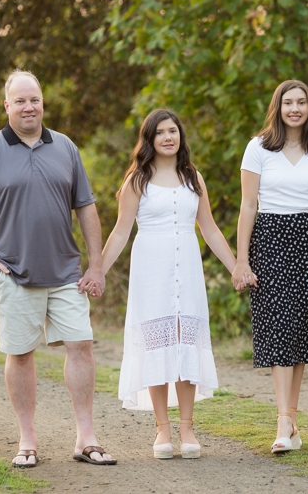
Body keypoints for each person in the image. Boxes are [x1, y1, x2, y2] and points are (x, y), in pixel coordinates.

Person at [0, 71, 111, 469]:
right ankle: (27, 440)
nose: (28, 107)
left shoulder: (66, 147)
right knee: (20, 354)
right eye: (19, 101)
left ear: (42, 102)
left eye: (34, 99)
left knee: (81, 347)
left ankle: (86, 438)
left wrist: (97, 265)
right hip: (14, 275)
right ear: (6, 106)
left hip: (67, 273)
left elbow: (85, 206)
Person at [97, 109, 246, 461]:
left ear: (180, 136)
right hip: (151, 268)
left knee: (185, 339)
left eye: (173, 131)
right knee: (157, 342)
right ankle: (162, 428)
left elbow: (208, 228)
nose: (168, 137)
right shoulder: (137, 180)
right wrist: (98, 270)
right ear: (149, 139)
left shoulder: (193, 177)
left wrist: (237, 266)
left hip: (187, 270)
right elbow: (120, 231)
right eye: (160, 132)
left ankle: (188, 428)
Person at [235, 79, 308, 455]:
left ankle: (290, 420)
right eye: (288, 103)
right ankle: (282, 422)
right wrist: (242, 259)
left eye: (301, 103)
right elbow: (248, 206)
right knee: (278, 327)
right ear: (277, 107)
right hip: (269, 240)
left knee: (299, 332)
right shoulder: (258, 148)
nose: (294, 109)